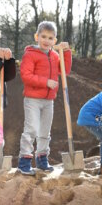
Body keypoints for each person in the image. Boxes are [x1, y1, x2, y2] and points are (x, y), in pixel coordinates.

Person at [18, 21, 72, 175]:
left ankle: (42, 159)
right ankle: (24, 161)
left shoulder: (55, 56)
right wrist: (45, 82)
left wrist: (66, 52)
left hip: (49, 100)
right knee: (31, 129)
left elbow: (65, 70)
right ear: (36, 36)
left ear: (55, 41)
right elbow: (26, 76)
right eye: (43, 36)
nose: (46, 40)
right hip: (32, 99)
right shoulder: (30, 54)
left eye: (50, 38)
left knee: (45, 131)